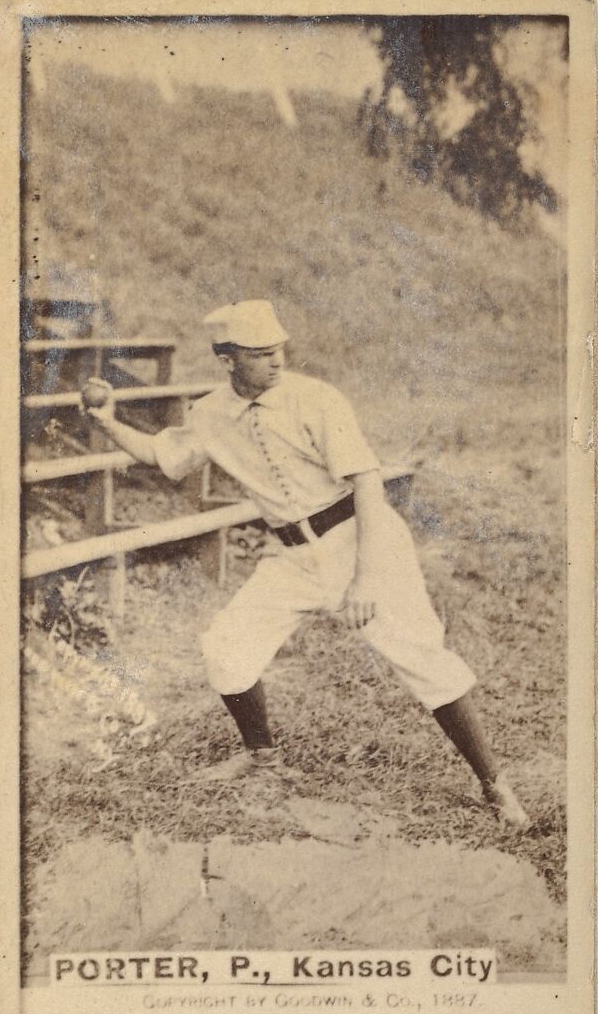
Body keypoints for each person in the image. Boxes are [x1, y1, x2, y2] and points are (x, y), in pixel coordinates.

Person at [82, 299, 528, 828]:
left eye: (279, 351)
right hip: (290, 554)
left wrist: (366, 576)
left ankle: (494, 785)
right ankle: (262, 756)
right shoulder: (209, 414)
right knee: (226, 645)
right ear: (227, 360)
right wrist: (106, 421)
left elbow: (367, 482)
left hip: (361, 536)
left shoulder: (315, 399)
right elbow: (163, 455)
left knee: (421, 658)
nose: (276, 362)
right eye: (261, 354)